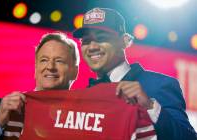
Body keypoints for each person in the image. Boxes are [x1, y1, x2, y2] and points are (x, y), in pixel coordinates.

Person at [73, 7, 197, 139]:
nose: (92, 47)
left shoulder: (159, 85)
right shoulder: (85, 96)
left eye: (101, 38)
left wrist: (150, 106)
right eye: (86, 41)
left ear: (124, 41)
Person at [0, 32, 79, 140]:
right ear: (35, 69)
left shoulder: (86, 118)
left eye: (59, 61)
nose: (50, 66)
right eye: (44, 60)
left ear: (75, 72)